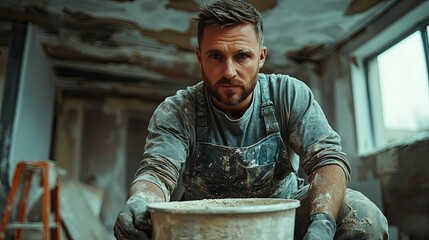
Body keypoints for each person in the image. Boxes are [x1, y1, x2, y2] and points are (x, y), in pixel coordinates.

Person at [114, 0, 389, 239]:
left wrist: (322, 224)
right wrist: (140, 199)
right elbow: (158, 172)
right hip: (206, 223)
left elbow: (327, 159)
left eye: (242, 56)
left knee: (364, 217)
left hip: (284, 214)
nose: (229, 71)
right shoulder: (177, 110)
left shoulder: (288, 94)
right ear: (200, 58)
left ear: (261, 57)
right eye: (216, 56)